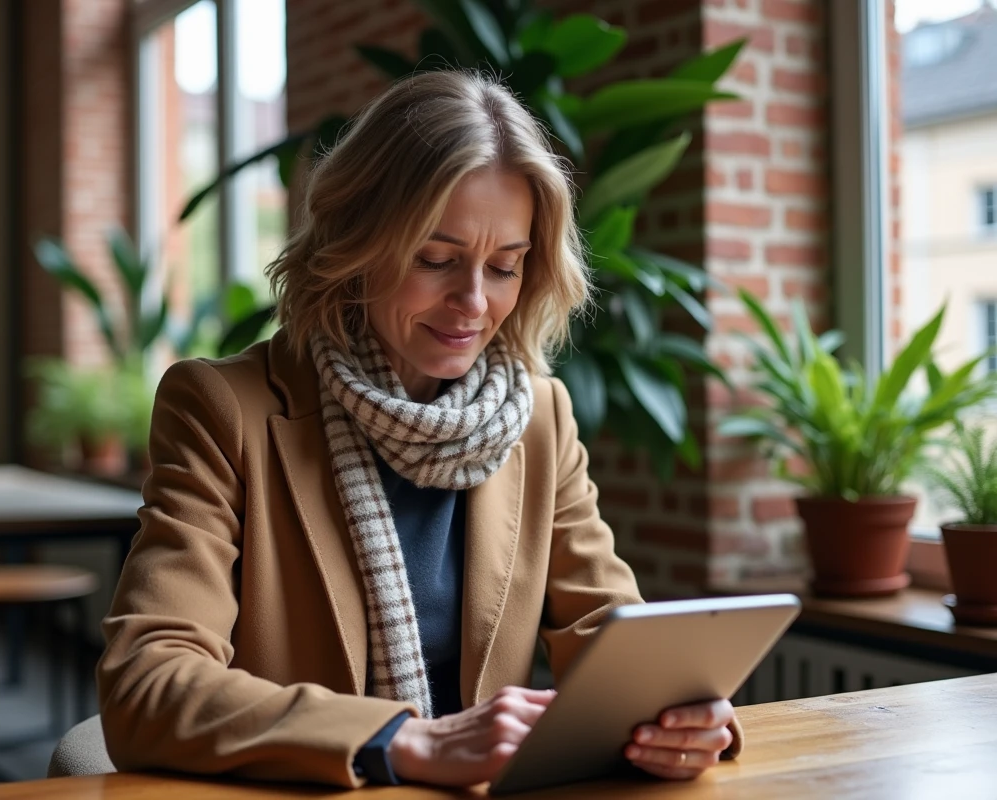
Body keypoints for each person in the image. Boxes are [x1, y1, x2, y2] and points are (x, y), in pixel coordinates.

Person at [97, 69, 741, 788]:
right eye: (436, 259)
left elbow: (608, 635)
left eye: (504, 267)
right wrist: (403, 741)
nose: (473, 301)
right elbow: (145, 685)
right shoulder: (222, 409)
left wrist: (681, 712)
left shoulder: (538, 416)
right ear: (356, 241)